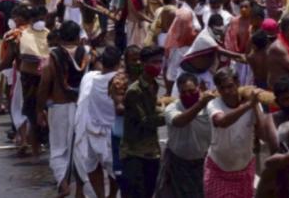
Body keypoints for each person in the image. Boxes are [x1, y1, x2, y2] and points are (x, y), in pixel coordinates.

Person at [38, 20, 91, 197]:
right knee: (79, 147)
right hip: (82, 107)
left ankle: (63, 183)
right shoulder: (88, 53)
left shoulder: (53, 56)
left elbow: (45, 82)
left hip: (59, 106)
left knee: (59, 146)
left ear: (60, 37)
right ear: (78, 37)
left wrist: (39, 109)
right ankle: (81, 188)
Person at [205, 67, 263, 195]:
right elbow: (223, 122)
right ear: (217, 89)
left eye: (230, 86)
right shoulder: (214, 104)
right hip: (218, 169)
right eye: (222, 88)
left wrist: (255, 105)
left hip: (245, 167)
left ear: (238, 84)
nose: (227, 91)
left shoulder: (252, 104)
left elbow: (263, 131)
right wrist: (248, 105)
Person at [74, 45, 121, 198]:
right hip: (111, 134)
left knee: (92, 166)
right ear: (118, 63)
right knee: (115, 170)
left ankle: (101, 196)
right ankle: (111, 195)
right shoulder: (121, 81)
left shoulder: (91, 79)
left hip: (92, 130)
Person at [157, 72, 214, 198]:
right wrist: (200, 104)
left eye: (191, 91)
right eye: (184, 92)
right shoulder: (172, 108)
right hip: (177, 165)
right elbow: (180, 122)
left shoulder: (210, 108)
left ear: (199, 88)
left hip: (202, 164)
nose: (188, 95)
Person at [121, 46, 165, 198]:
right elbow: (146, 120)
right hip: (135, 153)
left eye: (160, 62)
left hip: (151, 152)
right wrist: (171, 117)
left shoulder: (154, 85)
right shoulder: (135, 91)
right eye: (154, 62)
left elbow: (154, 109)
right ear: (144, 63)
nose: (158, 66)